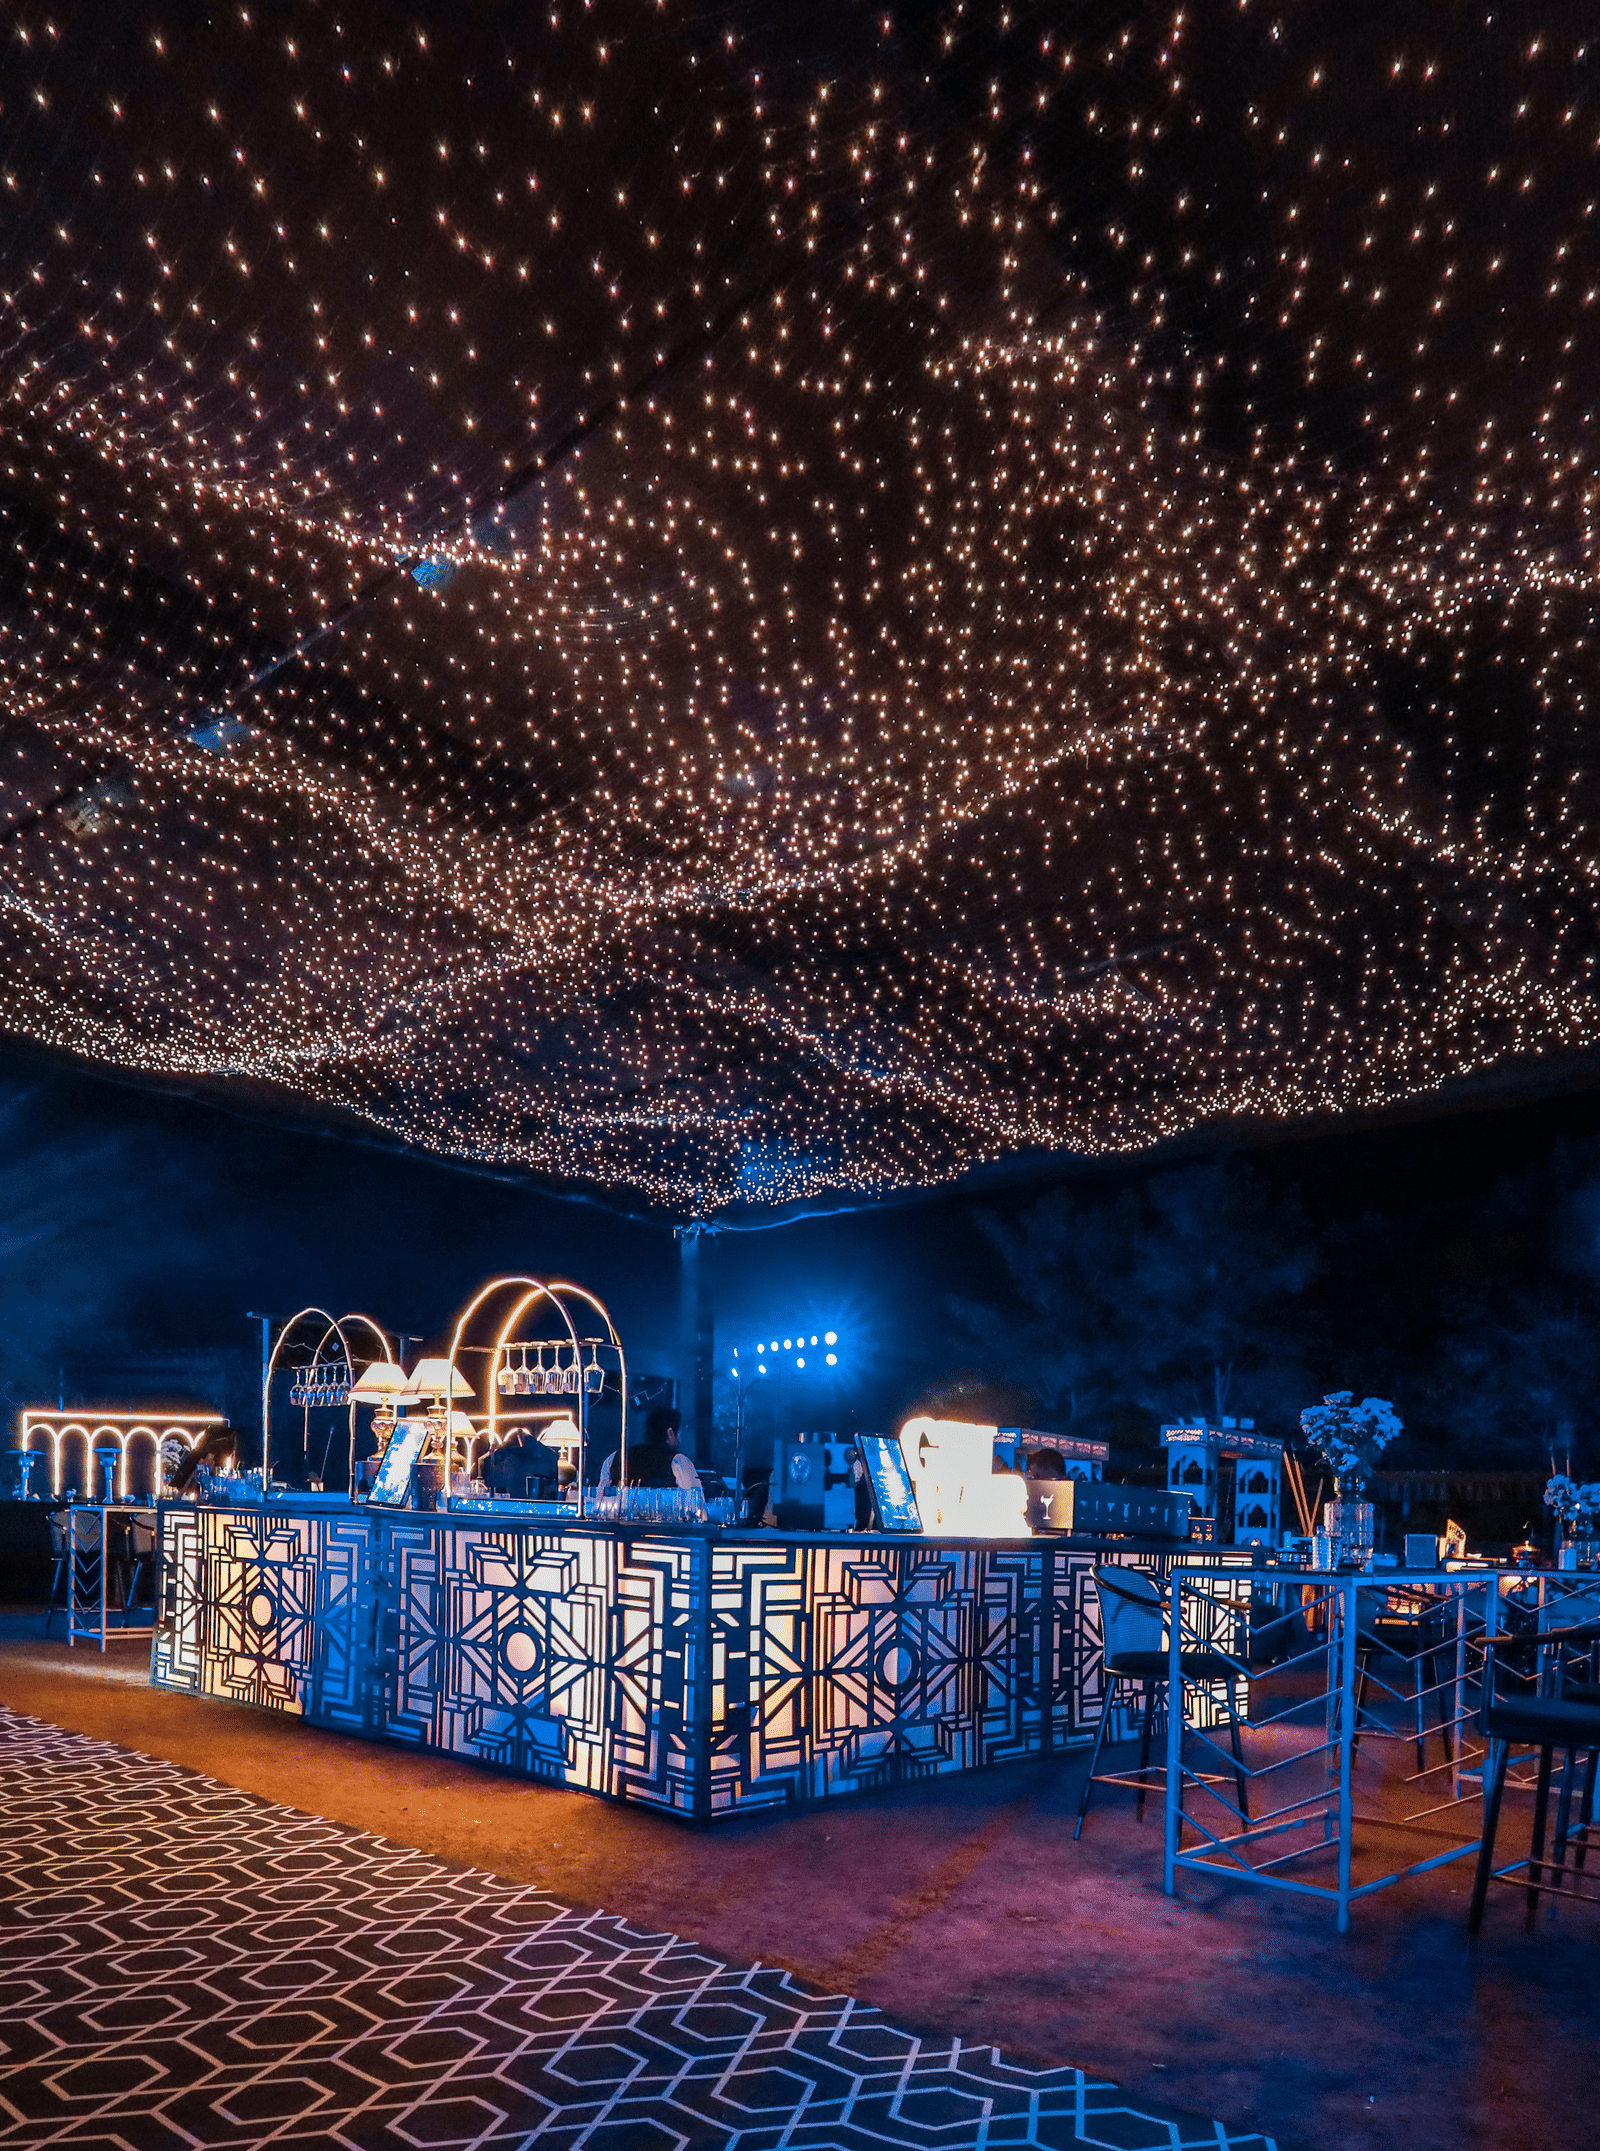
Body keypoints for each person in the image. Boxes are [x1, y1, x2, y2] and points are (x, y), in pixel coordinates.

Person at [599, 1404, 703, 1492]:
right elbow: (696, 1502)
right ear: (670, 1432)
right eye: (678, 1433)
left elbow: (600, 1498)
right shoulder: (679, 1461)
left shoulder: (615, 1457)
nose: (680, 1439)